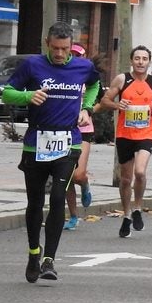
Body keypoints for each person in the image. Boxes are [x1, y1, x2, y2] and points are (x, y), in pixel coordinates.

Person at [2, 23, 101, 282]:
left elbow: (94, 85)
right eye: (55, 48)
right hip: (36, 141)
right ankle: (34, 252)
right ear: (47, 43)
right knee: (35, 202)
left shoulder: (82, 66)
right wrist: (28, 96)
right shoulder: (33, 65)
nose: (59, 54)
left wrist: (87, 108)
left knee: (58, 196)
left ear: (71, 46)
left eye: (65, 49)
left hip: (69, 141)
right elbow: (7, 92)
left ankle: (49, 260)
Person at [98, 45, 152, 238]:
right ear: (131, 61)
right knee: (126, 179)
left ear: (149, 62)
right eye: (137, 58)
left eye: (144, 59)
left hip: (146, 133)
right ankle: (126, 215)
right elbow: (105, 100)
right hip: (125, 134)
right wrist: (118, 104)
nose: (141, 62)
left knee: (140, 171)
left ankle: (138, 208)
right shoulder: (122, 79)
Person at [61, 43, 97, 231]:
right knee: (65, 176)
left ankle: (85, 184)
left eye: (78, 54)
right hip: (63, 129)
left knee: (78, 174)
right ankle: (73, 216)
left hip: (84, 129)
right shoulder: (60, 75)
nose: (74, 57)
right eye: (71, 54)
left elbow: (98, 99)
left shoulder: (87, 77)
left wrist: (87, 110)